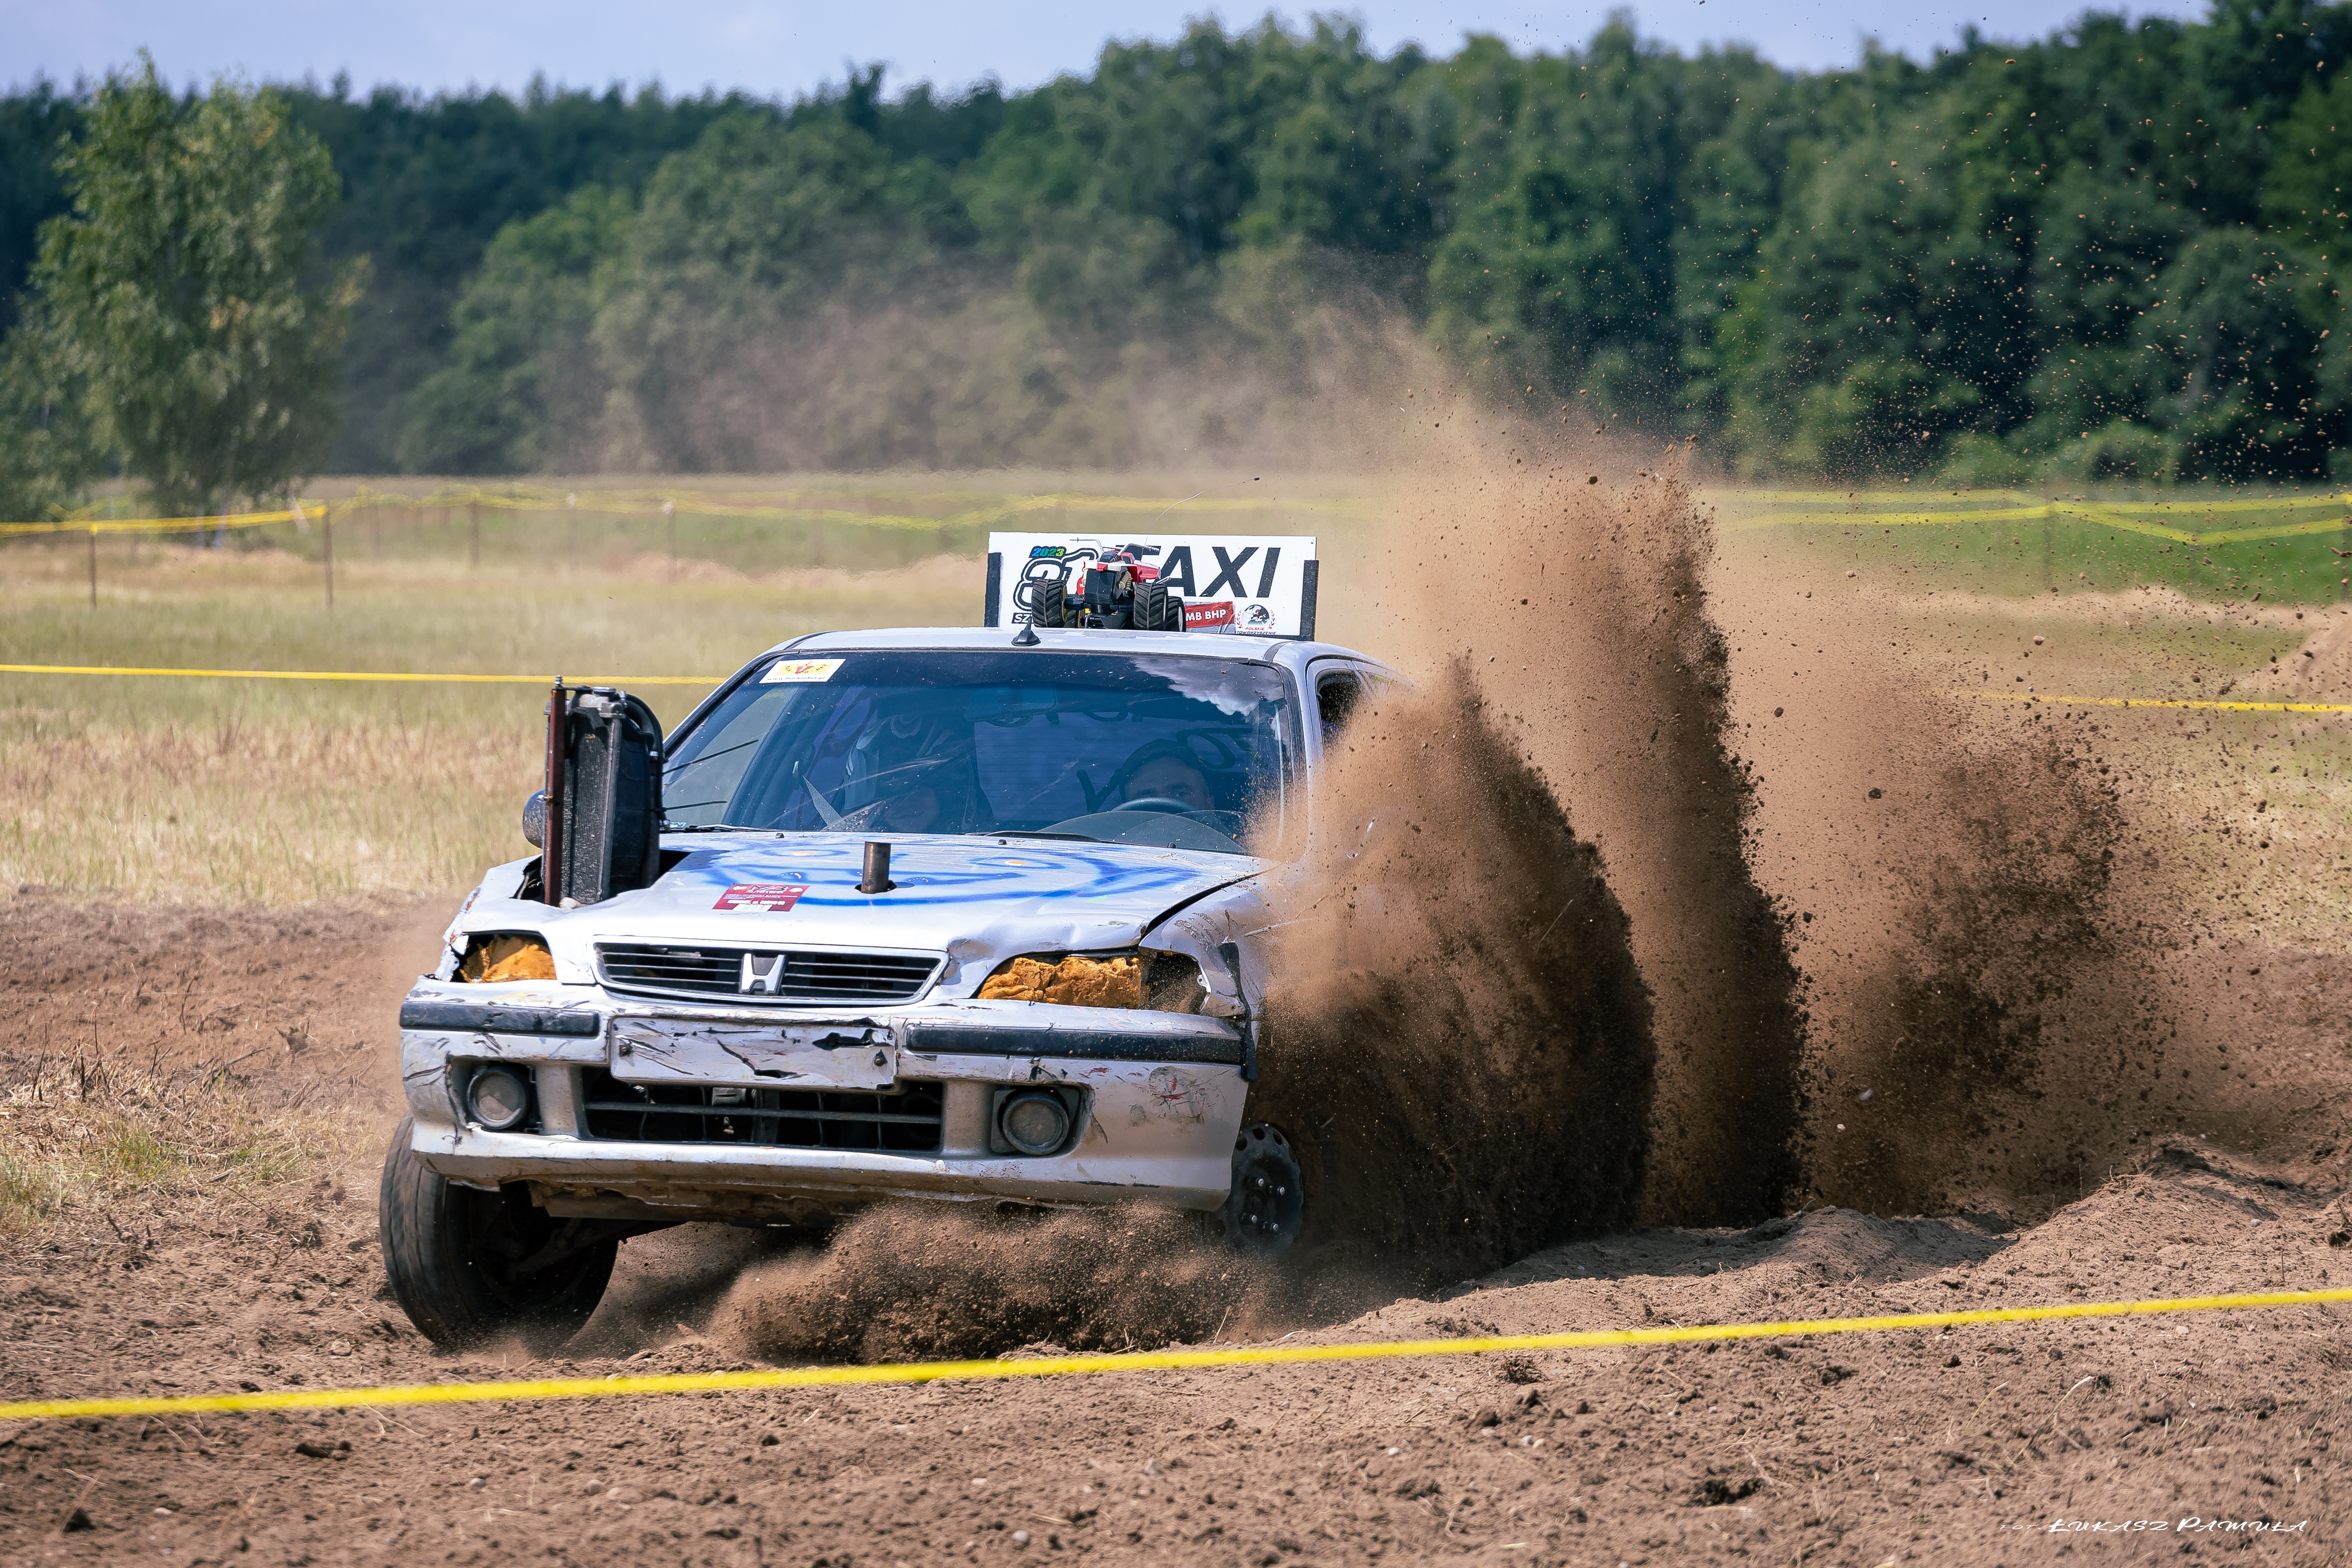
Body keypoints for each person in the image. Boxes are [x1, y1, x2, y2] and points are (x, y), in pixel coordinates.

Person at [1112, 739, 1216, 812]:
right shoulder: (1100, 844)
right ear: (1126, 814)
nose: (1165, 811)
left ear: (1211, 807)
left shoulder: (1231, 843)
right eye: (1148, 800)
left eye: (1180, 794)